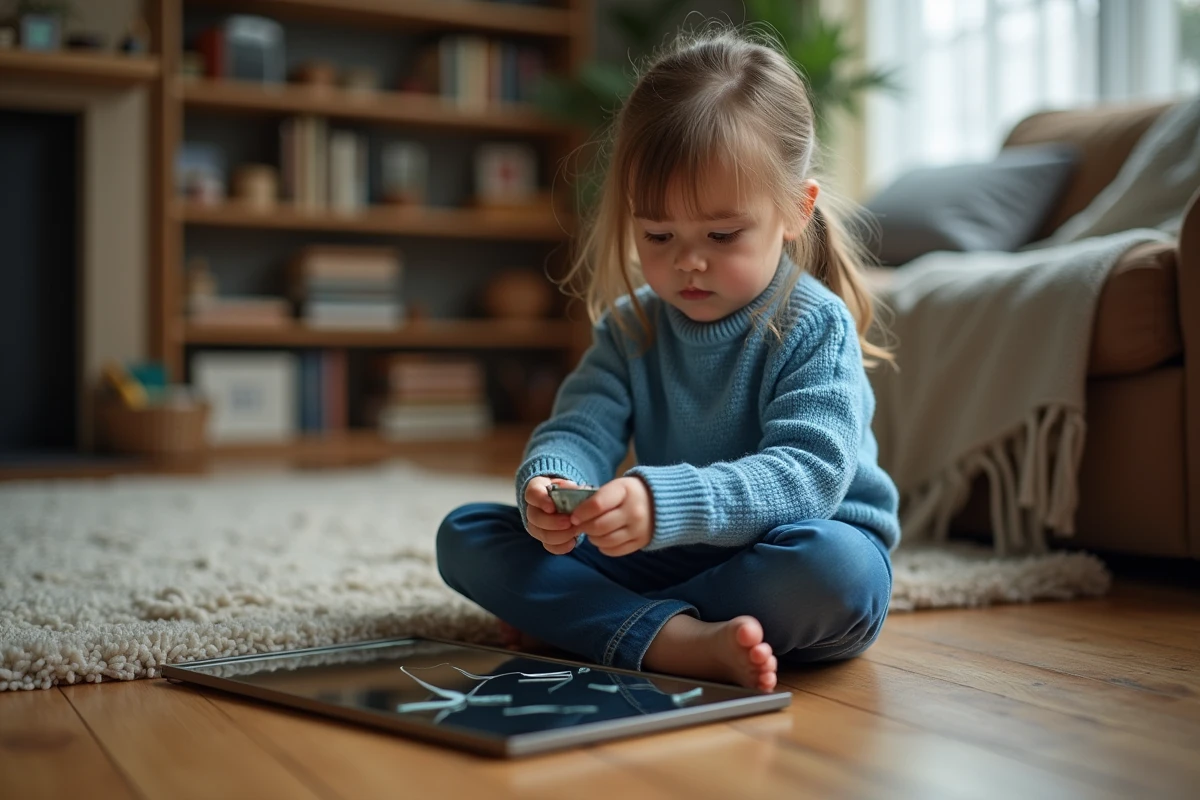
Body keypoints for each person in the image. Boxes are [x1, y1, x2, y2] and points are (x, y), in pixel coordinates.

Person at [437, 28, 899, 691]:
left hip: (794, 555)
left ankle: (601, 626)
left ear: (796, 211)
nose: (687, 260)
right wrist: (552, 487)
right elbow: (579, 429)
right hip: (665, 555)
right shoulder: (633, 327)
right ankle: (677, 641)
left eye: (721, 234)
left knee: (836, 573)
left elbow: (809, 475)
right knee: (468, 535)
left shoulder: (814, 323)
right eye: (658, 234)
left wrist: (664, 502)